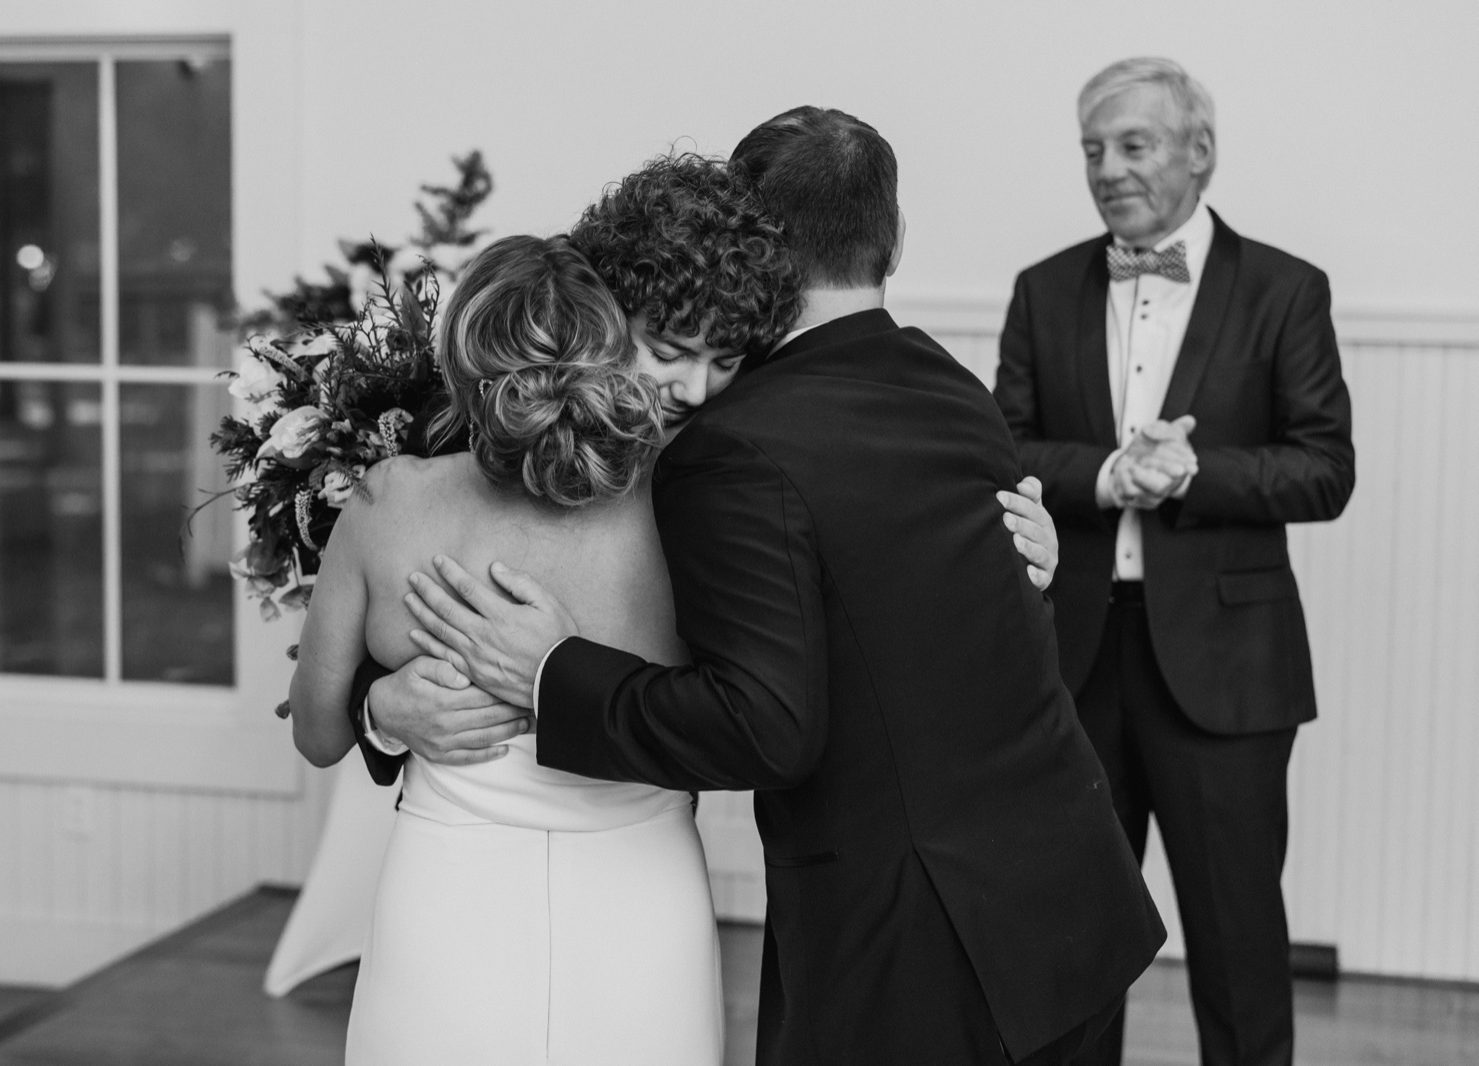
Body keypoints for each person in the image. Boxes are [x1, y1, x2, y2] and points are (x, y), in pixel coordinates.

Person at [390, 111, 1164, 1065]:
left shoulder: (730, 447)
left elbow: (764, 724)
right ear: (894, 240)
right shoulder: (950, 385)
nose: (693, 380)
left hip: (919, 949)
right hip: (1068, 904)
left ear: (744, 246)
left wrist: (552, 670)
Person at [288, 234, 742, 1066]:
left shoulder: (388, 503)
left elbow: (316, 735)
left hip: (446, 898)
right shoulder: (684, 505)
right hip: (642, 899)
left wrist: (380, 712)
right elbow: (748, 712)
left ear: (464, 362)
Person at [991, 58, 1355, 1066]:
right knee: (1075, 933)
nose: (1107, 169)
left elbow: (1325, 470)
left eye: (1132, 145)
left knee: (1238, 939)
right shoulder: (1042, 287)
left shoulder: (1285, 289)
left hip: (1229, 670)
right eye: (1091, 150)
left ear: (1200, 152)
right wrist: (1107, 474)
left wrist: (1196, 473)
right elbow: (1002, 449)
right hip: (1075, 660)